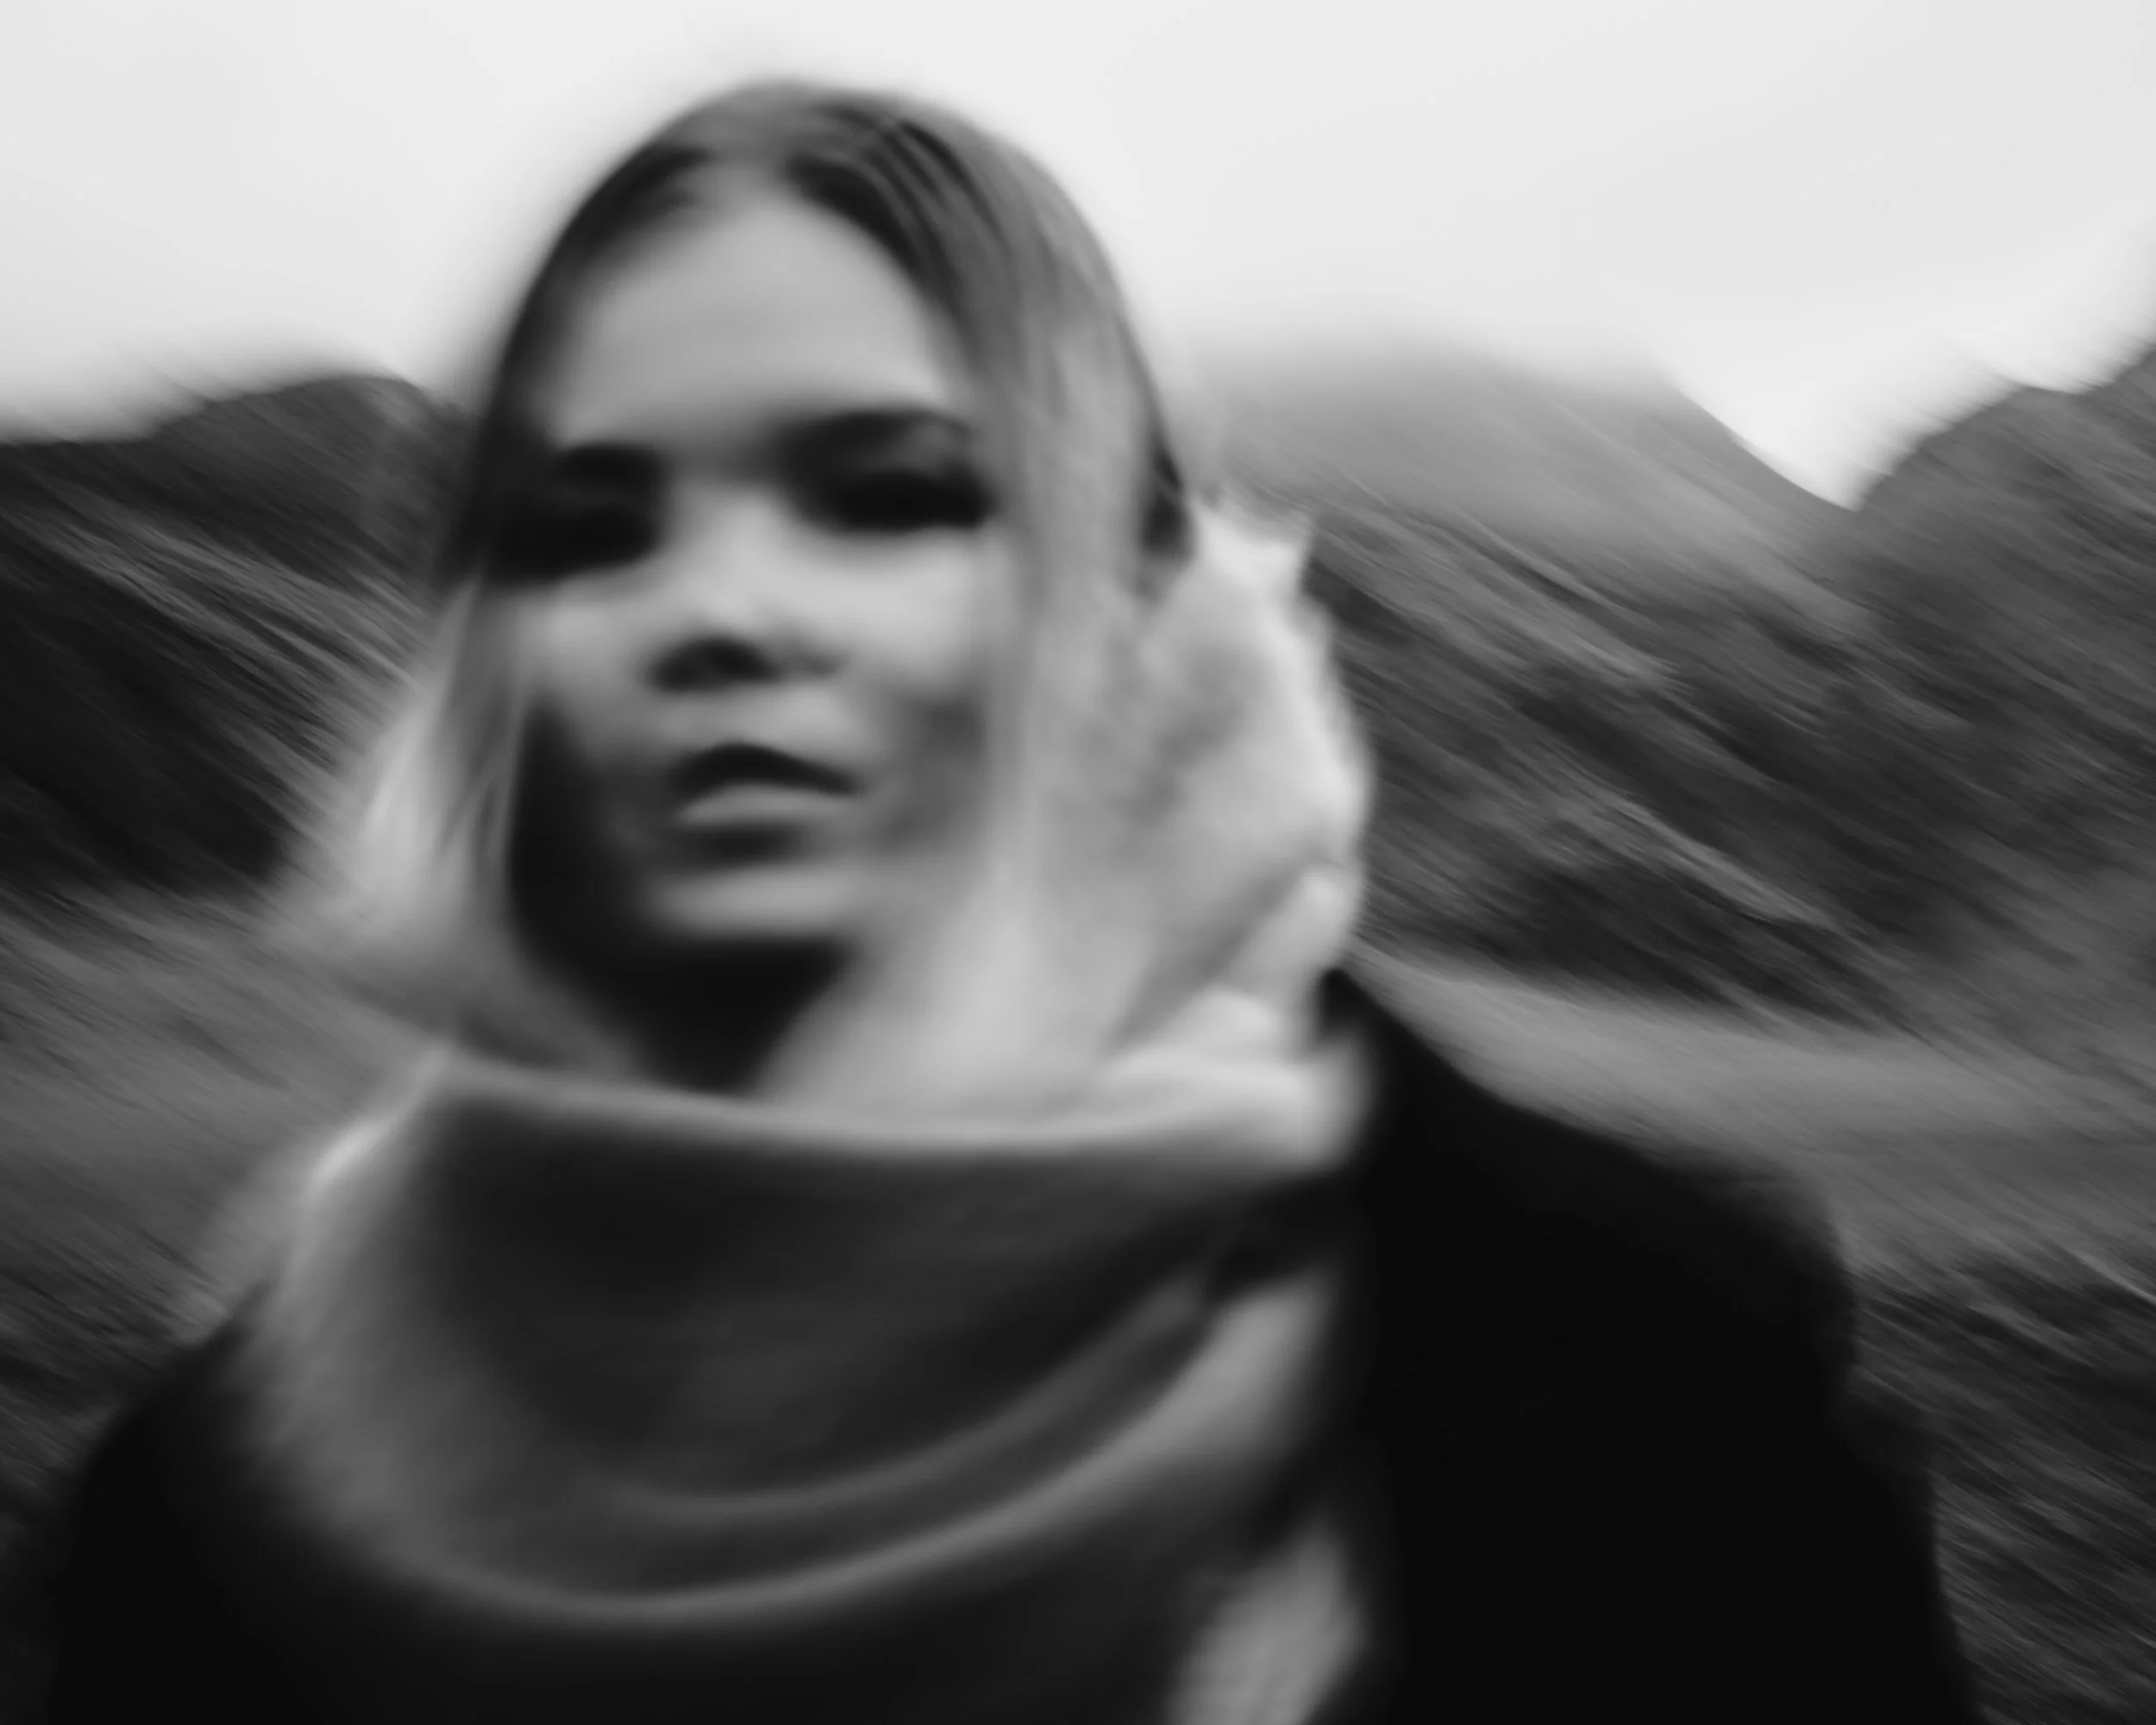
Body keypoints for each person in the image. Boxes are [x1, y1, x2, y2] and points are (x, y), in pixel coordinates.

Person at [38, 79, 1984, 1724]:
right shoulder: (221, 1477)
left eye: (889, 494)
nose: (723, 609)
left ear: (1138, 600)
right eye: (586, 528)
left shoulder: (1641, 1383)